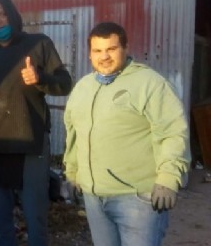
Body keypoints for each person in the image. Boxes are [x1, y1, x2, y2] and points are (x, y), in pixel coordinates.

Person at [0, 0, 72, 246]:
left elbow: (65, 84)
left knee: (35, 216)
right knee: (1, 221)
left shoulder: (39, 44)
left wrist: (40, 78)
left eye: (2, 15)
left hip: (30, 142)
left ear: (12, 14)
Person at [63, 22, 190, 246]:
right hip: (94, 199)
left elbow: (172, 132)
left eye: (111, 49)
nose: (104, 57)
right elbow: (74, 134)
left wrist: (168, 179)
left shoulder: (149, 84)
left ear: (126, 48)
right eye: (97, 51)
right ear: (90, 54)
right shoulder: (83, 88)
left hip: (137, 199)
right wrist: (73, 173)